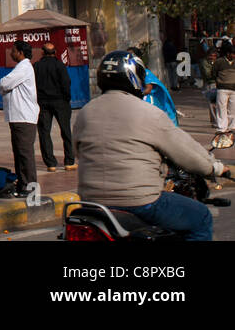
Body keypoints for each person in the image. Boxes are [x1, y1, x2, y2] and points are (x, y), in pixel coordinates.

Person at [74, 50, 228, 240]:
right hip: (139, 201)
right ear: (135, 78)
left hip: (91, 203)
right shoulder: (149, 113)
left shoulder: (85, 113)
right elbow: (188, 153)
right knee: (201, 217)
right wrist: (217, 168)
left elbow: (79, 151)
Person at [0, 40, 39, 196]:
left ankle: (31, 188)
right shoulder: (21, 67)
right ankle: (23, 185)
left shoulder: (24, 68)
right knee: (19, 153)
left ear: (20, 53)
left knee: (25, 154)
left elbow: (4, 83)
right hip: (18, 116)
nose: (11, 53)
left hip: (24, 117)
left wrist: (2, 85)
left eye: (13, 51)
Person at [34, 41, 76, 171]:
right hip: (60, 101)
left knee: (44, 132)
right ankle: (69, 161)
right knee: (66, 131)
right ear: (55, 53)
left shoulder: (36, 66)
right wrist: (66, 99)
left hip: (42, 102)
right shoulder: (59, 65)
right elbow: (66, 83)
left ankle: (51, 163)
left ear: (42, 52)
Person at [128, 46, 179, 125]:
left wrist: (137, 94)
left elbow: (148, 89)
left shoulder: (145, 72)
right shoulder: (128, 73)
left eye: (132, 55)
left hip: (146, 102)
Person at [214, 42, 235, 139]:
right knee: (221, 108)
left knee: (232, 109)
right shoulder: (219, 62)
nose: (234, 55)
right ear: (228, 53)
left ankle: (232, 127)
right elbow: (214, 73)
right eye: (232, 53)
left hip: (234, 89)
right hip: (222, 89)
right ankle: (221, 128)